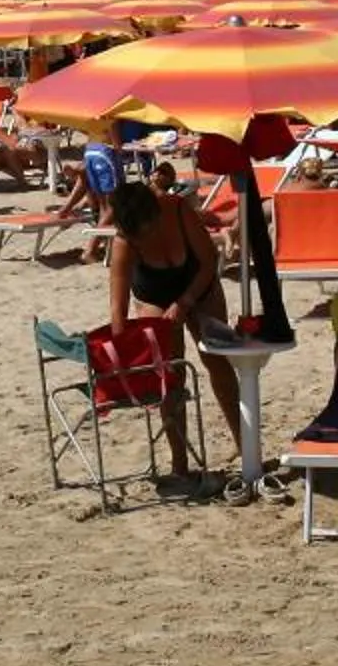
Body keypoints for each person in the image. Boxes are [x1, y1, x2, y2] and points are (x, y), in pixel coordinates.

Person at [103, 178, 249, 500]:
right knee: (170, 375)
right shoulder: (125, 241)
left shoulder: (179, 210)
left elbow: (208, 261)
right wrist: (122, 347)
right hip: (153, 293)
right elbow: (118, 304)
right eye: (139, 235)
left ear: (156, 213)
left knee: (217, 363)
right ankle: (180, 461)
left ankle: (245, 446)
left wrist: (185, 302)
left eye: (149, 229)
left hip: (199, 282)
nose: (147, 237)